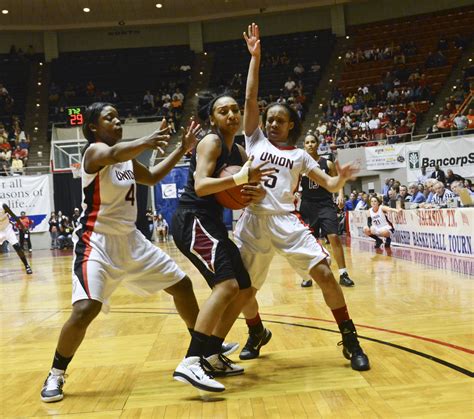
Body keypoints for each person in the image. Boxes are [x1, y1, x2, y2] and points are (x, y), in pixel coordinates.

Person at [40, 102, 203, 403]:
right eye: (109, 118)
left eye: (118, 117)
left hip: (131, 241)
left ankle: (203, 350)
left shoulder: (127, 161)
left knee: (182, 285)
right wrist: (147, 140)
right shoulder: (93, 153)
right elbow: (114, 153)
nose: (117, 122)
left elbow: (153, 177)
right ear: (93, 127)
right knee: (85, 309)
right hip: (96, 242)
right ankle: (56, 373)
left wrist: (182, 150)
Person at [234, 23, 369, 372]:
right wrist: (255, 59)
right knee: (244, 289)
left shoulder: (301, 156)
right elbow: (249, 98)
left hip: (285, 219)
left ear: (292, 125)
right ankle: (256, 331)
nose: (274, 123)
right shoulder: (255, 141)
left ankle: (350, 338)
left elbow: (331, 185)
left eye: (281, 120)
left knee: (324, 272)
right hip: (252, 220)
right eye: (270, 119)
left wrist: (340, 178)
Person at [171, 92, 274, 392]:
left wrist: (257, 192)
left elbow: (248, 186)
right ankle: (192, 361)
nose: (231, 115)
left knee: (244, 288)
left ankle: (212, 354)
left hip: (212, 223)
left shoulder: (239, 152)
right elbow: (202, 186)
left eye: (235, 110)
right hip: (192, 219)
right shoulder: (211, 142)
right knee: (227, 285)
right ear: (212, 118)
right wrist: (240, 179)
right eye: (223, 111)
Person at [298, 134, 355, 288]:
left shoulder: (327, 163)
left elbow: (337, 181)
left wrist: (341, 195)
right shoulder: (299, 165)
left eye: (313, 142)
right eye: (307, 142)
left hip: (325, 204)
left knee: (334, 237)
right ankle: (306, 276)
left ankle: (343, 273)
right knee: (308, 242)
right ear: (304, 145)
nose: (310, 144)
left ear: (317, 144)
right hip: (307, 205)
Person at [0, 203, 33, 274]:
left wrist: (23, 227)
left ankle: (27, 266)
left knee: (17, 247)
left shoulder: (3, 206)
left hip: (7, 229)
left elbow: (14, 216)